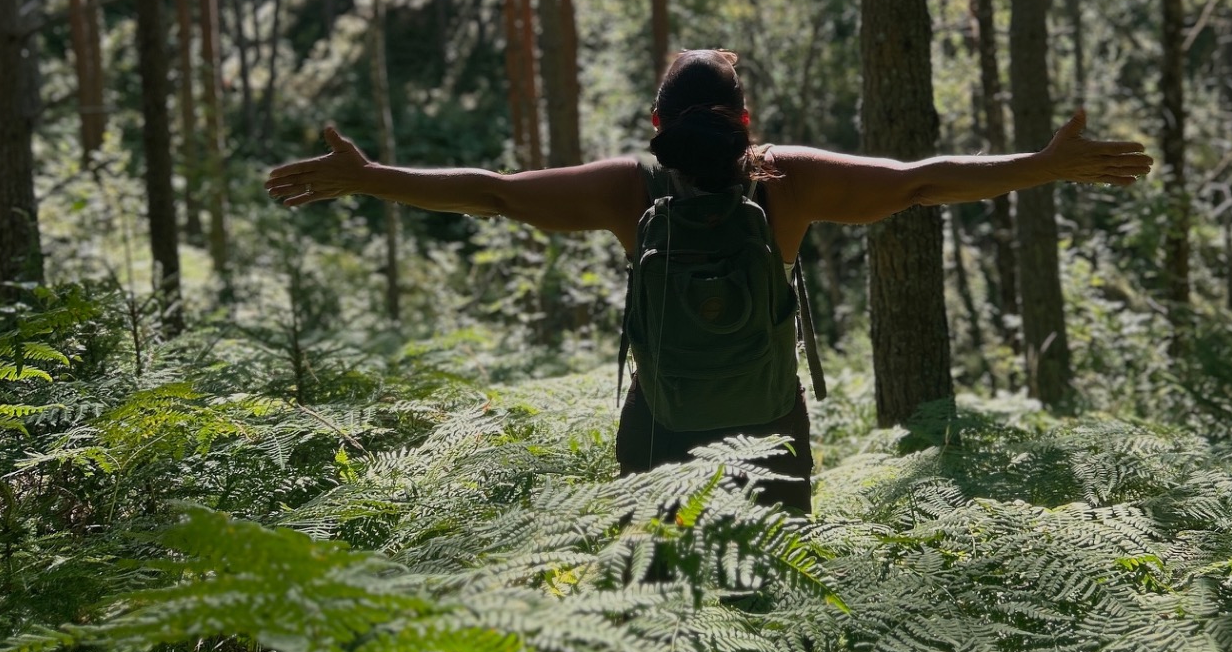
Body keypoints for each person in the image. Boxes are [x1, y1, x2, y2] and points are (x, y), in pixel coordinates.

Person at [265, 48, 1152, 511]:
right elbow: (921, 179)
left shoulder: (628, 187)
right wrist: (1044, 164)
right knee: (768, 604)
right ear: (742, 120)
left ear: (657, 123)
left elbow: (492, 196)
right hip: (769, 424)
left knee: (661, 615)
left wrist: (371, 176)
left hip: (660, 425)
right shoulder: (786, 181)